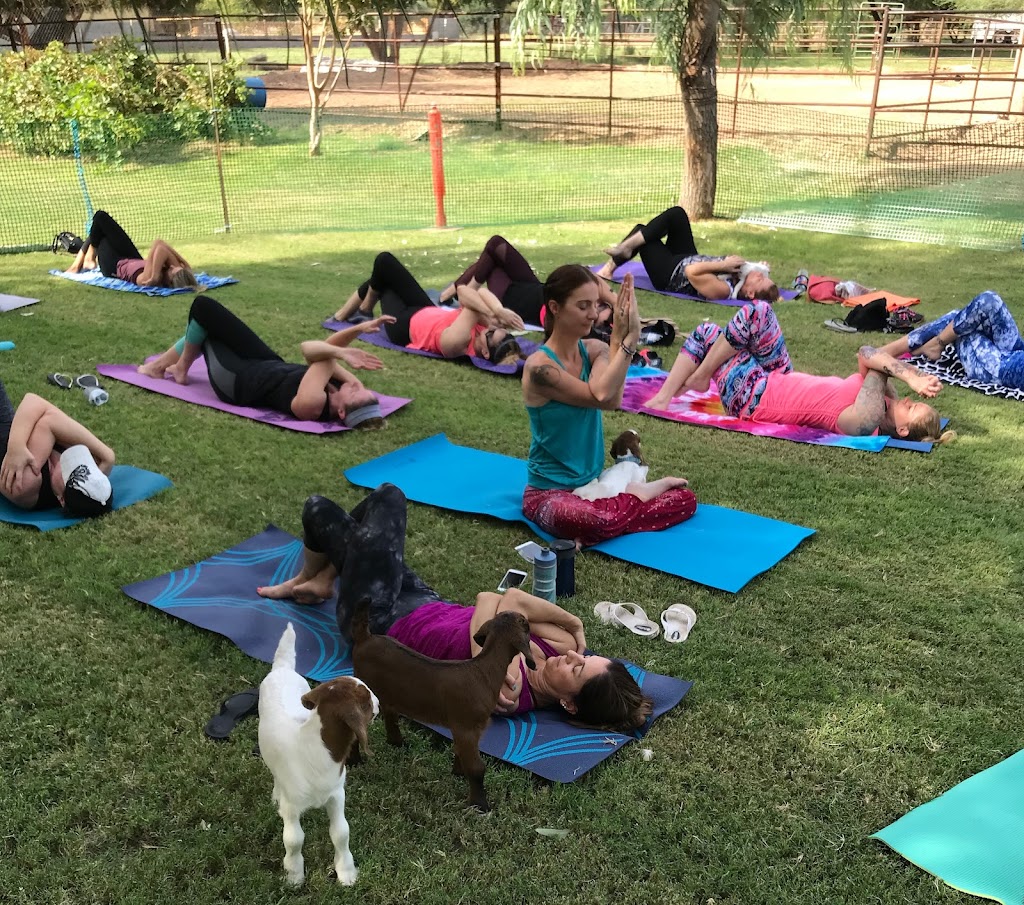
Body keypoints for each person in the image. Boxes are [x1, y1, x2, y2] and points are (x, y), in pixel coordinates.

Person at [256, 484, 653, 733]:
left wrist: (498, 635)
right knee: (369, 511)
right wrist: (573, 620)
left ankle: (316, 576)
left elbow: (493, 600)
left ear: (569, 704)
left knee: (333, 507)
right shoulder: (563, 645)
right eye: (586, 657)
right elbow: (503, 601)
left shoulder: (507, 691)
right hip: (426, 600)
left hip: (380, 623)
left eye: (577, 670)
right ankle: (322, 577)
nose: (573, 655)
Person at [521, 266, 697, 547]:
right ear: (555, 308)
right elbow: (602, 395)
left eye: (596, 305)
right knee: (593, 520)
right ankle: (634, 497)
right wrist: (628, 339)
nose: (593, 314)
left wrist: (617, 342)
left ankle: (614, 511)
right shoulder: (540, 369)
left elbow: (611, 400)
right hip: (548, 494)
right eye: (583, 306)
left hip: (594, 487)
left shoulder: (593, 349)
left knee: (685, 500)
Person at [646, 300, 954, 442]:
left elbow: (875, 362)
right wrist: (912, 367)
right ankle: (702, 376)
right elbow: (867, 354)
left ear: (902, 430)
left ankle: (666, 396)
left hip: (755, 398)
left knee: (709, 333)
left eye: (911, 408)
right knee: (760, 313)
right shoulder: (886, 396)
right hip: (779, 375)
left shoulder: (864, 422)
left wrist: (909, 374)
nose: (907, 400)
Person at [139, 295, 389, 428]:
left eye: (355, 392)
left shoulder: (313, 405)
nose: (355, 385)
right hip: (266, 362)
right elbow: (327, 350)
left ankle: (177, 368)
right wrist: (359, 329)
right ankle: (166, 366)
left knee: (203, 310)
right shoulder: (345, 388)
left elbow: (311, 349)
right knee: (209, 321)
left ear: (341, 411)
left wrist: (341, 353)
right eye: (361, 387)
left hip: (238, 380)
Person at [333, 252, 525, 365]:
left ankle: (360, 311)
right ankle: (355, 312)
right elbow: (476, 292)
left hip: (403, 324)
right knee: (384, 274)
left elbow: (465, 293)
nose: (491, 327)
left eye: (492, 333)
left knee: (384, 264)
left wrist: (491, 313)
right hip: (424, 308)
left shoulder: (457, 343)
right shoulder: (484, 331)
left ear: (485, 352)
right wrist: (498, 311)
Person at [596, 205, 780, 303]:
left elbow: (691, 271)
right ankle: (625, 249)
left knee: (642, 234)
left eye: (761, 280)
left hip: (671, 275)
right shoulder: (741, 278)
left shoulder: (724, 291)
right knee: (677, 215)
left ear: (750, 293)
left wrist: (723, 265)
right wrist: (760, 267)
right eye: (763, 276)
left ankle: (609, 268)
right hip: (685, 258)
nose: (760, 275)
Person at [440, 234, 617, 332]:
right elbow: (586, 275)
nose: (594, 309)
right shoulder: (579, 303)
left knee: (493, 253)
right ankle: (456, 290)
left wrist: (613, 303)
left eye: (597, 312)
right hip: (530, 284)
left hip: (509, 296)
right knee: (494, 251)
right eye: (601, 306)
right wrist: (615, 302)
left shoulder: (563, 317)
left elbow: (586, 277)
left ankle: (461, 291)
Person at [0, 378, 115, 515]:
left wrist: (16, 446)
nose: (76, 462)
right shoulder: (84, 471)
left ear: (61, 500)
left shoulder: (27, 481)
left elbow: (33, 403)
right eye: (86, 466)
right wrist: (108, 456)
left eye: (72, 472)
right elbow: (45, 415)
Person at [880, 290, 1024, 391]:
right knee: (988, 301)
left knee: (958, 322)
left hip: (1002, 369)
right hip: (1018, 352)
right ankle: (935, 344)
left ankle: (883, 353)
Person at [65, 210, 198, 290]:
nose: (172, 266)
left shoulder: (150, 279)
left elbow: (159, 246)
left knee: (100, 223)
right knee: (101, 223)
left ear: (170, 281)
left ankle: (80, 263)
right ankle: (89, 259)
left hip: (114, 266)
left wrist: (154, 276)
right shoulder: (166, 272)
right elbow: (160, 244)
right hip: (132, 259)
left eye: (173, 270)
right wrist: (185, 265)